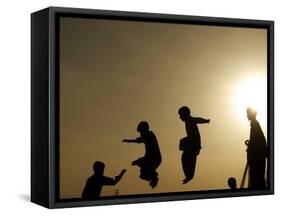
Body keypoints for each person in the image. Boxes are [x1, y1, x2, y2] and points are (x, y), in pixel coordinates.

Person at [123, 121, 162, 188]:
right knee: (142, 174)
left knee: (143, 173)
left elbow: (138, 141)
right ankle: (153, 176)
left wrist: (128, 141)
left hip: (154, 159)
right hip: (152, 158)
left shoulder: (149, 136)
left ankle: (153, 176)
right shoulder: (149, 135)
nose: (140, 134)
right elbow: (139, 140)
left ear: (144, 130)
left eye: (141, 132)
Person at [178, 106, 210, 184]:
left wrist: (205, 121)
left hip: (194, 143)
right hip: (191, 141)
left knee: (190, 157)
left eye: (180, 115)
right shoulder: (188, 121)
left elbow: (198, 120)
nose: (180, 117)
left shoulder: (190, 120)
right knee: (185, 156)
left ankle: (190, 175)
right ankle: (189, 175)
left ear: (185, 114)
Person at [245, 107, 267, 189]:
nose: (247, 116)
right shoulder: (255, 125)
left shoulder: (255, 125)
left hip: (257, 158)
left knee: (257, 177)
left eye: (247, 114)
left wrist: (251, 147)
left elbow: (258, 141)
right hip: (258, 156)